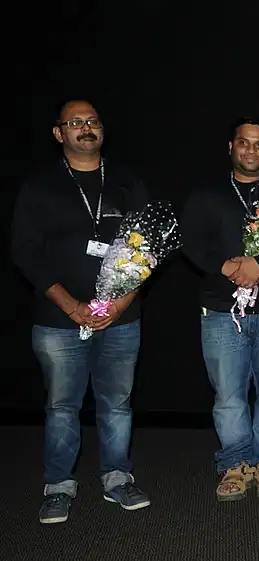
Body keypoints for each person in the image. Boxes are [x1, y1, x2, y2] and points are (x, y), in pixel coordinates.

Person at [12, 100, 152, 523]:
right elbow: (25, 253)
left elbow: (145, 247)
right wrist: (72, 306)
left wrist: (120, 302)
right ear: (59, 133)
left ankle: (117, 478)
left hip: (121, 319)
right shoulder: (40, 186)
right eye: (75, 123)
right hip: (58, 321)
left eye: (92, 121)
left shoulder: (127, 181)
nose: (85, 128)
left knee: (118, 403)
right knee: (61, 406)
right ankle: (58, 486)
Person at [181, 117, 259, 502]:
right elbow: (190, 241)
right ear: (231, 147)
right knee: (228, 395)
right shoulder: (206, 194)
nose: (251, 150)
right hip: (222, 312)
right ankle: (234, 464)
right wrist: (225, 267)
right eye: (244, 143)